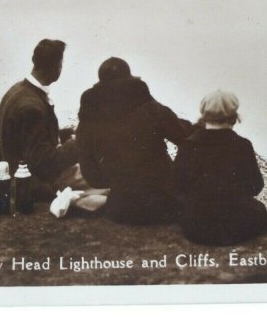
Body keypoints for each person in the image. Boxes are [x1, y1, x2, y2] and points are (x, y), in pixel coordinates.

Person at [76, 57, 194, 224]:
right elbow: (183, 136)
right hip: (163, 205)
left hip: (120, 209)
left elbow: (91, 173)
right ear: (129, 78)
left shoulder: (89, 114)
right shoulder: (147, 103)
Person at [174, 90, 267, 245]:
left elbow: (178, 186)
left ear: (204, 115)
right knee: (260, 212)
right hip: (237, 226)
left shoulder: (188, 145)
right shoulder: (242, 145)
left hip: (197, 227)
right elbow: (255, 186)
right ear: (233, 117)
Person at [0, 39, 82, 200]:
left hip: (11, 173)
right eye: (61, 64)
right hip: (31, 183)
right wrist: (76, 143)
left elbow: (26, 140)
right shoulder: (32, 107)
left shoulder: (17, 90)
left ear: (35, 61)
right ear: (56, 67)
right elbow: (44, 164)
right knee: (100, 178)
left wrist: (66, 133)